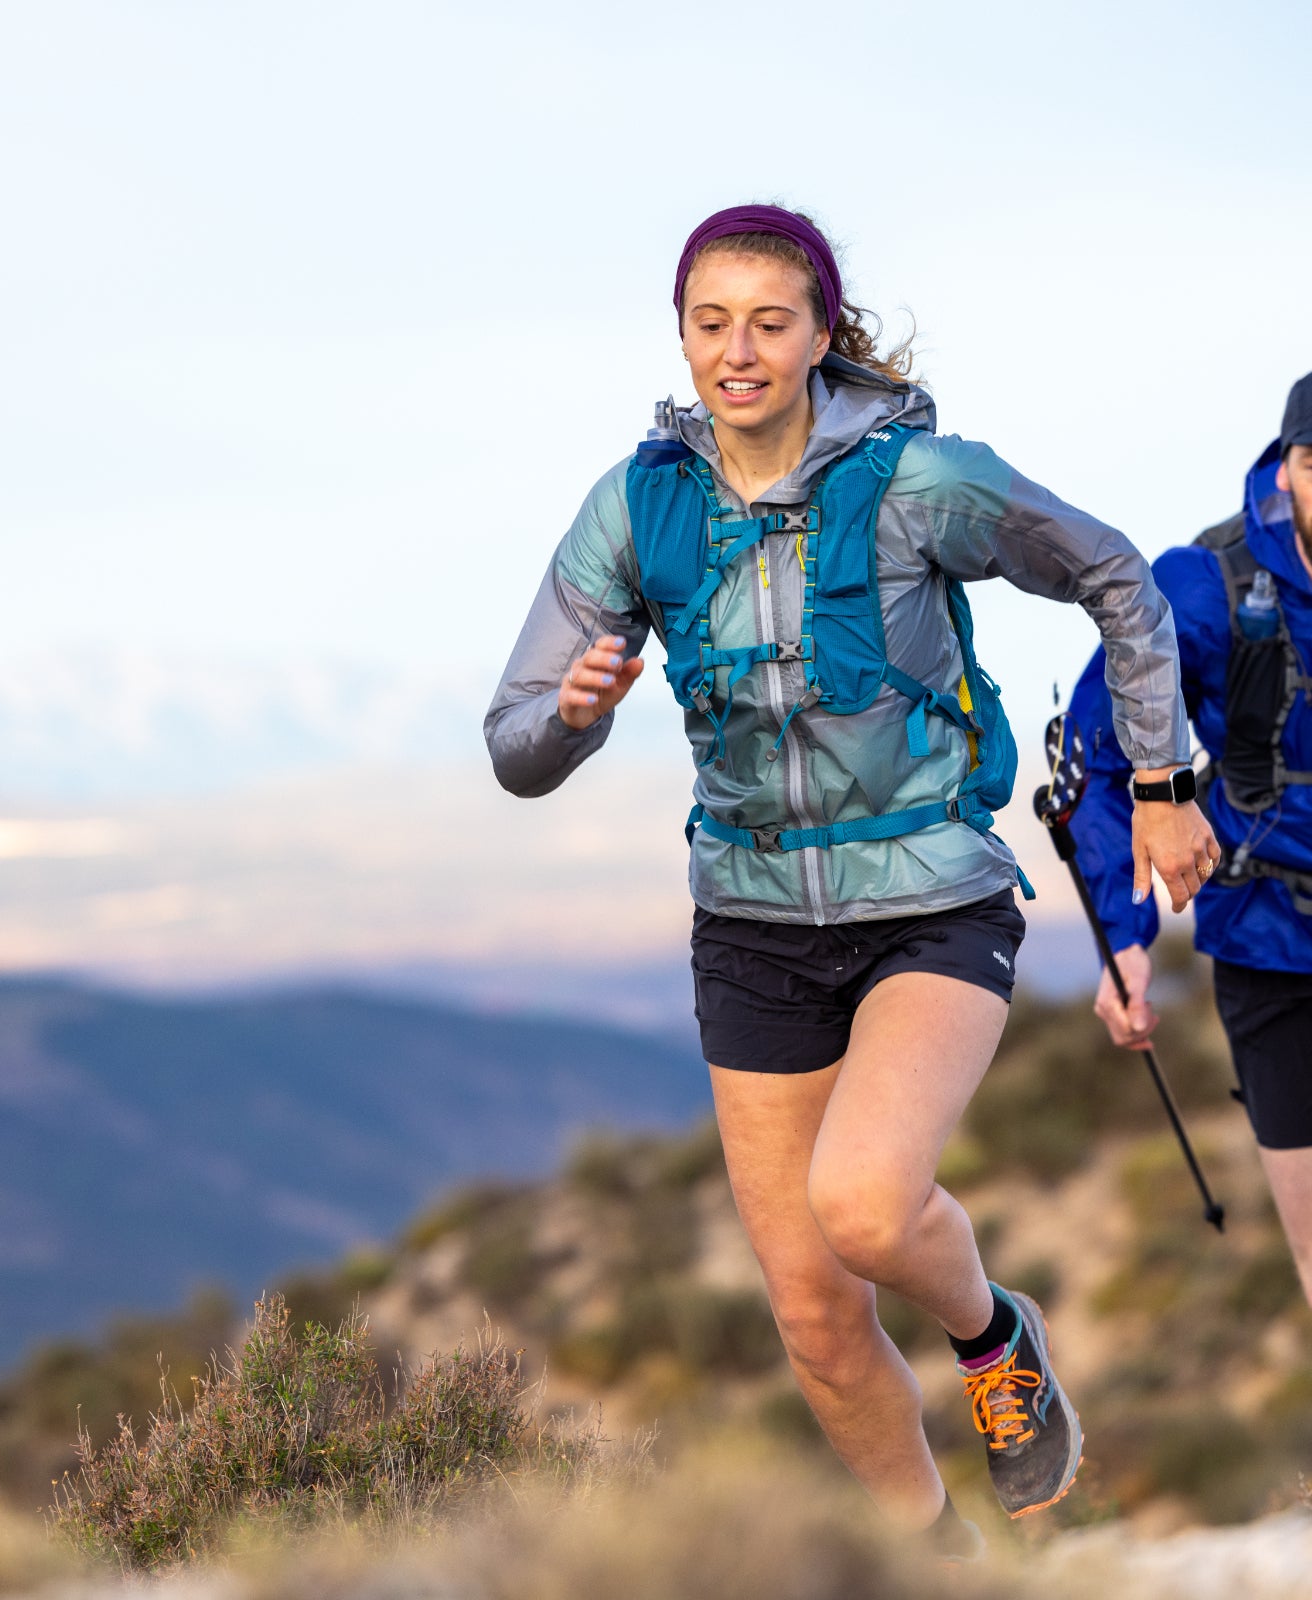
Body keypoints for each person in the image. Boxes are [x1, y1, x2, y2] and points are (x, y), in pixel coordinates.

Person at [484, 204, 1215, 1550]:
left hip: (931, 903)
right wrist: (574, 715)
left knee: (868, 1206)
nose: (739, 351)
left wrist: (1164, 783)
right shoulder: (638, 506)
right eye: (712, 324)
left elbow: (1117, 575)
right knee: (816, 1319)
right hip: (751, 930)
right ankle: (933, 1566)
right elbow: (514, 745)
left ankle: (994, 1341)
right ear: (680, 336)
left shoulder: (921, 481)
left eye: (770, 323)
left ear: (821, 333)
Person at [1068, 373, 1312, 1307]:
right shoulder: (1205, 588)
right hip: (1270, 943)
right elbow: (1101, 762)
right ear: (1286, 468)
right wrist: (1124, 939)